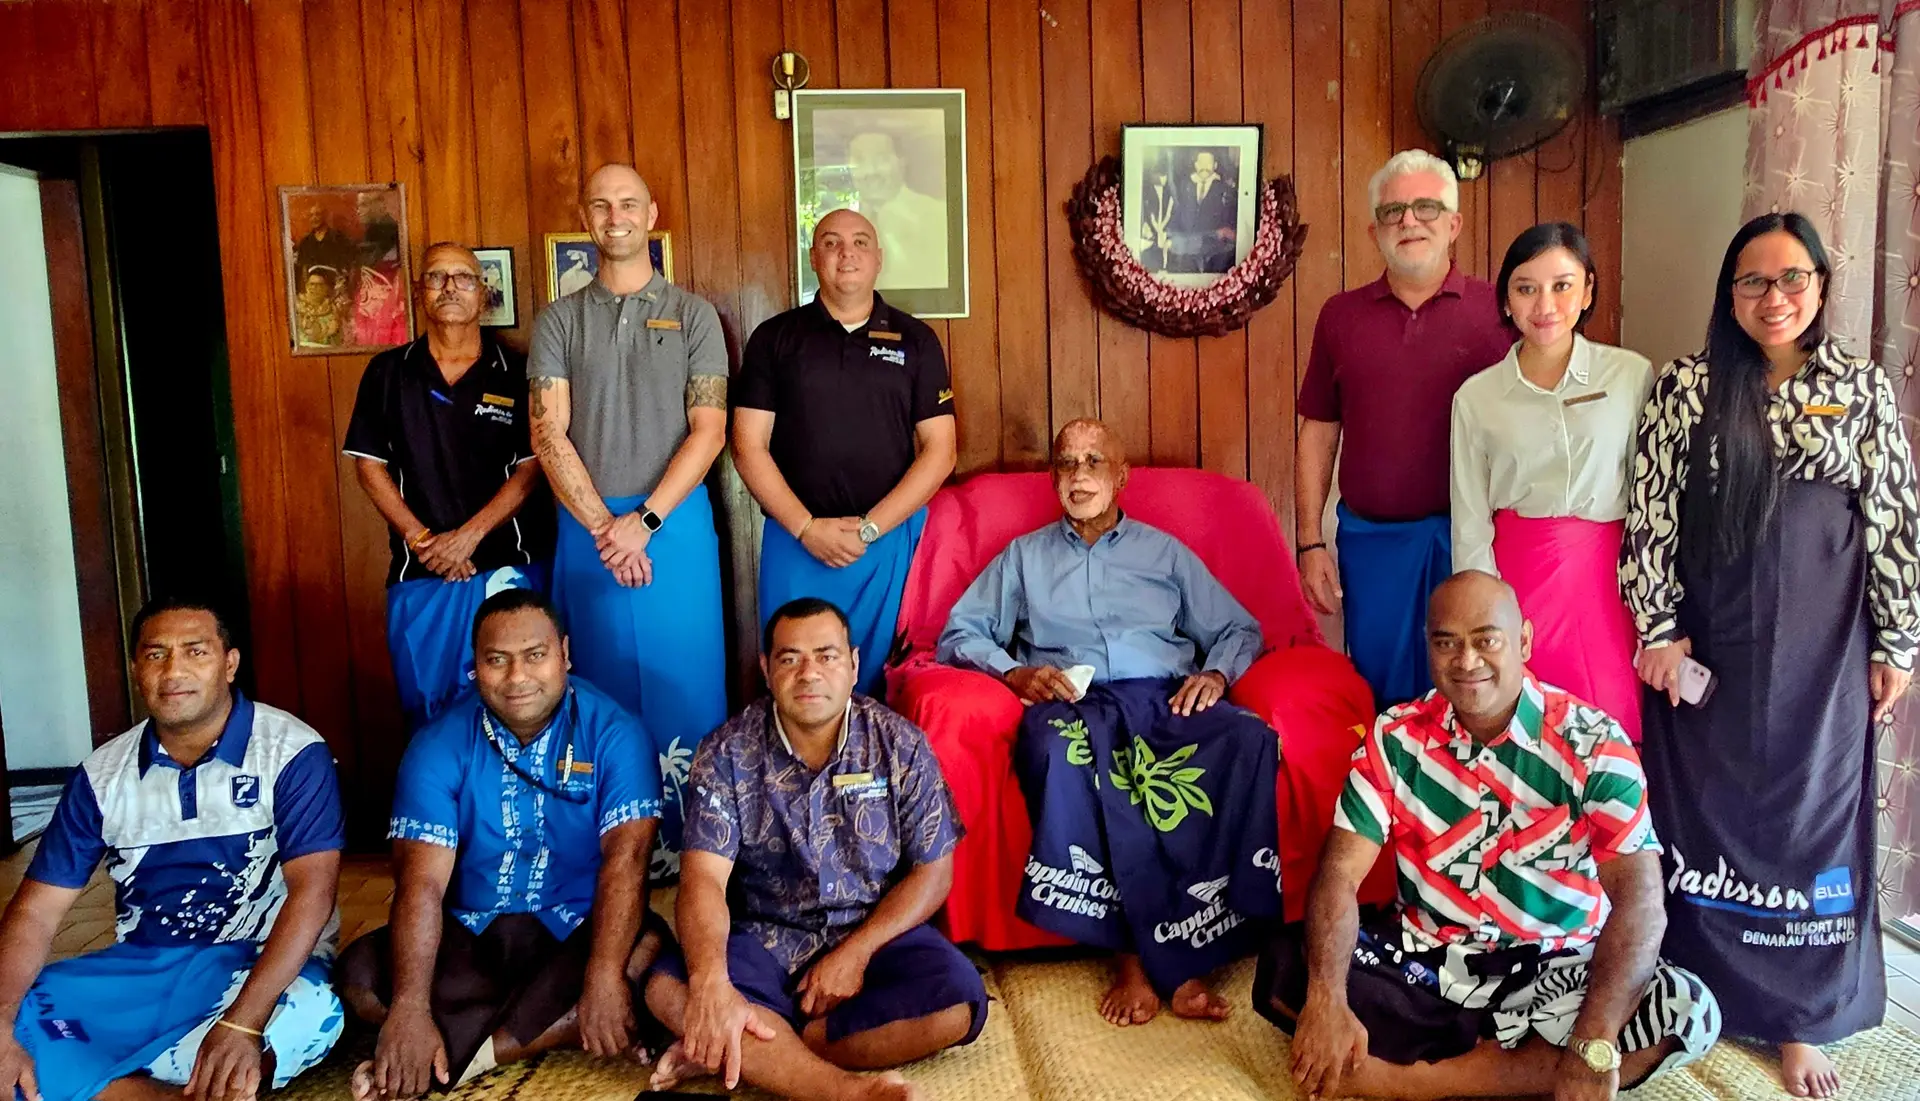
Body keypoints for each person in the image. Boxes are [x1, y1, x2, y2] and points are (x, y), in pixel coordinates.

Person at [1622, 212, 1920, 1099]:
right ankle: (1697, 981)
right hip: (1711, 644)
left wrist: (1897, 638)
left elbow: (1895, 519)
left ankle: (1801, 1016)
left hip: (1826, 654)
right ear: (1729, 294)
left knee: (1811, 814)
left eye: (1793, 278)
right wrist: (1659, 628)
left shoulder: (1859, 391)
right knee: (1707, 816)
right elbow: (1650, 516)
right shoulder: (1688, 385)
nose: (1774, 297)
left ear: (1822, 287)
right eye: (1753, 281)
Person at [1256, 572, 1721, 1101]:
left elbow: (1641, 903)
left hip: (1556, 969)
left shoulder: (1594, 744)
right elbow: (1339, 873)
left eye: (1486, 640)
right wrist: (1327, 998)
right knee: (1292, 967)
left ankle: (1411, 1084)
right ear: (1428, 647)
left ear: (1524, 640)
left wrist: (1592, 1041)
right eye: (1446, 642)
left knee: (1688, 1007)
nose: (1467, 660)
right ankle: (1523, 1074)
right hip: (1429, 964)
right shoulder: (1394, 739)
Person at [936, 418, 1279, 1026]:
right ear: (1053, 479)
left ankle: (1193, 939)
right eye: (1067, 463)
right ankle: (1133, 957)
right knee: (1057, 750)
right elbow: (960, 633)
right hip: (1076, 703)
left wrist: (1218, 677)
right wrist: (1014, 673)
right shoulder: (1025, 558)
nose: (1079, 475)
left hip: (1166, 697)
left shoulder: (1164, 552)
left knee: (1247, 737)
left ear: (1121, 477)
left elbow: (1237, 628)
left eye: (1094, 462)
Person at [0, 598, 346, 1101]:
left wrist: (244, 1025)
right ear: (136, 668)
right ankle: (156, 1090)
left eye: (195, 652)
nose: (174, 671)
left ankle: (99, 1081)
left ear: (229, 664)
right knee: (17, 1009)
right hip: (141, 971)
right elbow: (36, 913)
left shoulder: (291, 752)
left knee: (312, 1011)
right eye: (156, 654)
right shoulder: (101, 776)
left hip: (255, 965)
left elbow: (313, 892)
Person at [640, 598, 982, 1101]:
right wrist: (712, 984)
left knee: (958, 1001)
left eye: (826, 656)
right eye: (789, 658)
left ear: (854, 664)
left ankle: (745, 1049)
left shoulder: (899, 744)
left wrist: (856, 952)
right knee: (668, 990)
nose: (809, 674)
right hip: (764, 934)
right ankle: (845, 1091)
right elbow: (703, 880)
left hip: (871, 928)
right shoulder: (727, 751)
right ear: (766, 667)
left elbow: (934, 872)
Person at [338, 589, 665, 1099]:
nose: (517, 679)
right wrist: (409, 1008)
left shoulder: (614, 733)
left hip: (577, 927)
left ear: (564, 654)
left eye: (535, 656)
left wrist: (602, 977)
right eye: (497, 661)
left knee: (641, 951)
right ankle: (546, 1028)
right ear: (475, 667)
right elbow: (421, 885)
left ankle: (460, 1059)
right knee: (359, 975)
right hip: (472, 933)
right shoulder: (438, 744)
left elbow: (628, 861)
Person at [529, 163, 730, 875]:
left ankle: (700, 851)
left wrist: (642, 522)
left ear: (651, 214)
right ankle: (612, 847)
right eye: (600, 205)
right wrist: (603, 528)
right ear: (586, 219)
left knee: (688, 682)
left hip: (672, 523)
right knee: (598, 686)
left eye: (627, 204)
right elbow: (548, 433)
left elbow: (708, 430)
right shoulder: (558, 319)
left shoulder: (695, 315)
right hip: (587, 529)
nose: (614, 216)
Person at [1295, 149, 1511, 709]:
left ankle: (1471, 796)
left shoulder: (1501, 312)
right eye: (1393, 212)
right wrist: (1310, 542)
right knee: (1383, 695)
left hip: (1475, 538)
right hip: (1374, 543)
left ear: (1454, 223)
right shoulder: (1340, 316)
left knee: (1477, 687)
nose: (1409, 221)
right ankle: (1389, 796)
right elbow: (1318, 431)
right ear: (1374, 231)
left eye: (1425, 208)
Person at [733, 208, 957, 698]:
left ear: (878, 259)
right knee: (798, 683)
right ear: (813, 258)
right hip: (796, 541)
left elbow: (940, 452)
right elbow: (747, 445)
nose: (846, 253)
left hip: (886, 543)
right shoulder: (774, 339)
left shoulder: (916, 340)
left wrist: (872, 527)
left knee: (880, 684)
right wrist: (805, 527)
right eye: (831, 243)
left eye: (859, 242)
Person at [1448, 223, 1652, 740]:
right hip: (1517, 581)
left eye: (1562, 285)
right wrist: (1483, 619)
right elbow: (1470, 519)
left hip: (1613, 582)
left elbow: (1654, 497)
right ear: (1506, 301)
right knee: (1525, 727)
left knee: (1610, 726)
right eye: (1526, 287)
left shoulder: (1631, 376)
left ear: (1587, 291)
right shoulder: (1477, 397)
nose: (1545, 304)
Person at [344, 242, 551, 731]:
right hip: (422, 578)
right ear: (420, 293)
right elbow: (369, 467)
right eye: (437, 278)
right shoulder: (388, 373)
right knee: (431, 719)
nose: (450, 287)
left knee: (521, 712)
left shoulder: (520, 371)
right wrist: (423, 541)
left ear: (484, 294)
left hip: (507, 572)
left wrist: (468, 537)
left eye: (463, 277)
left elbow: (531, 470)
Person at [847, 131, 947, 291]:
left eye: (881, 159)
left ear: (902, 163)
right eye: (859, 161)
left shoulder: (939, 216)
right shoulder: (840, 227)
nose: (870, 171)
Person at [1165, 150, 1237, 273]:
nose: (1204, 167)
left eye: (1208, 163)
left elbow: (1228, 225)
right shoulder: (1185, 187)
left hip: (1213, 251)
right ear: (1196, 165)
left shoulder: (1225, 190)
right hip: (1186, 251)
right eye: (1201, 162)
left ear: (1215, 166)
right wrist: (1167, 233)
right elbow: (1176, 213)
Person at [295, 204, 356, 287]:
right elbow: (304, 270)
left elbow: (351, 265)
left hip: (336, 286)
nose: (314, 218)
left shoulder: (338, 237)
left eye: (317, 214)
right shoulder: (305, 242)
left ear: (325, 216)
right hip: (315, 288)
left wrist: (349, 286)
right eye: (311, 215)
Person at [296, 267, 344, 349]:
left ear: (326, 288)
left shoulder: (333, 309)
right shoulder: (297, 306)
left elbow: (339, 340)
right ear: (307, 286)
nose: (314, 288)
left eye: (319, 285)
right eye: (312, 284)